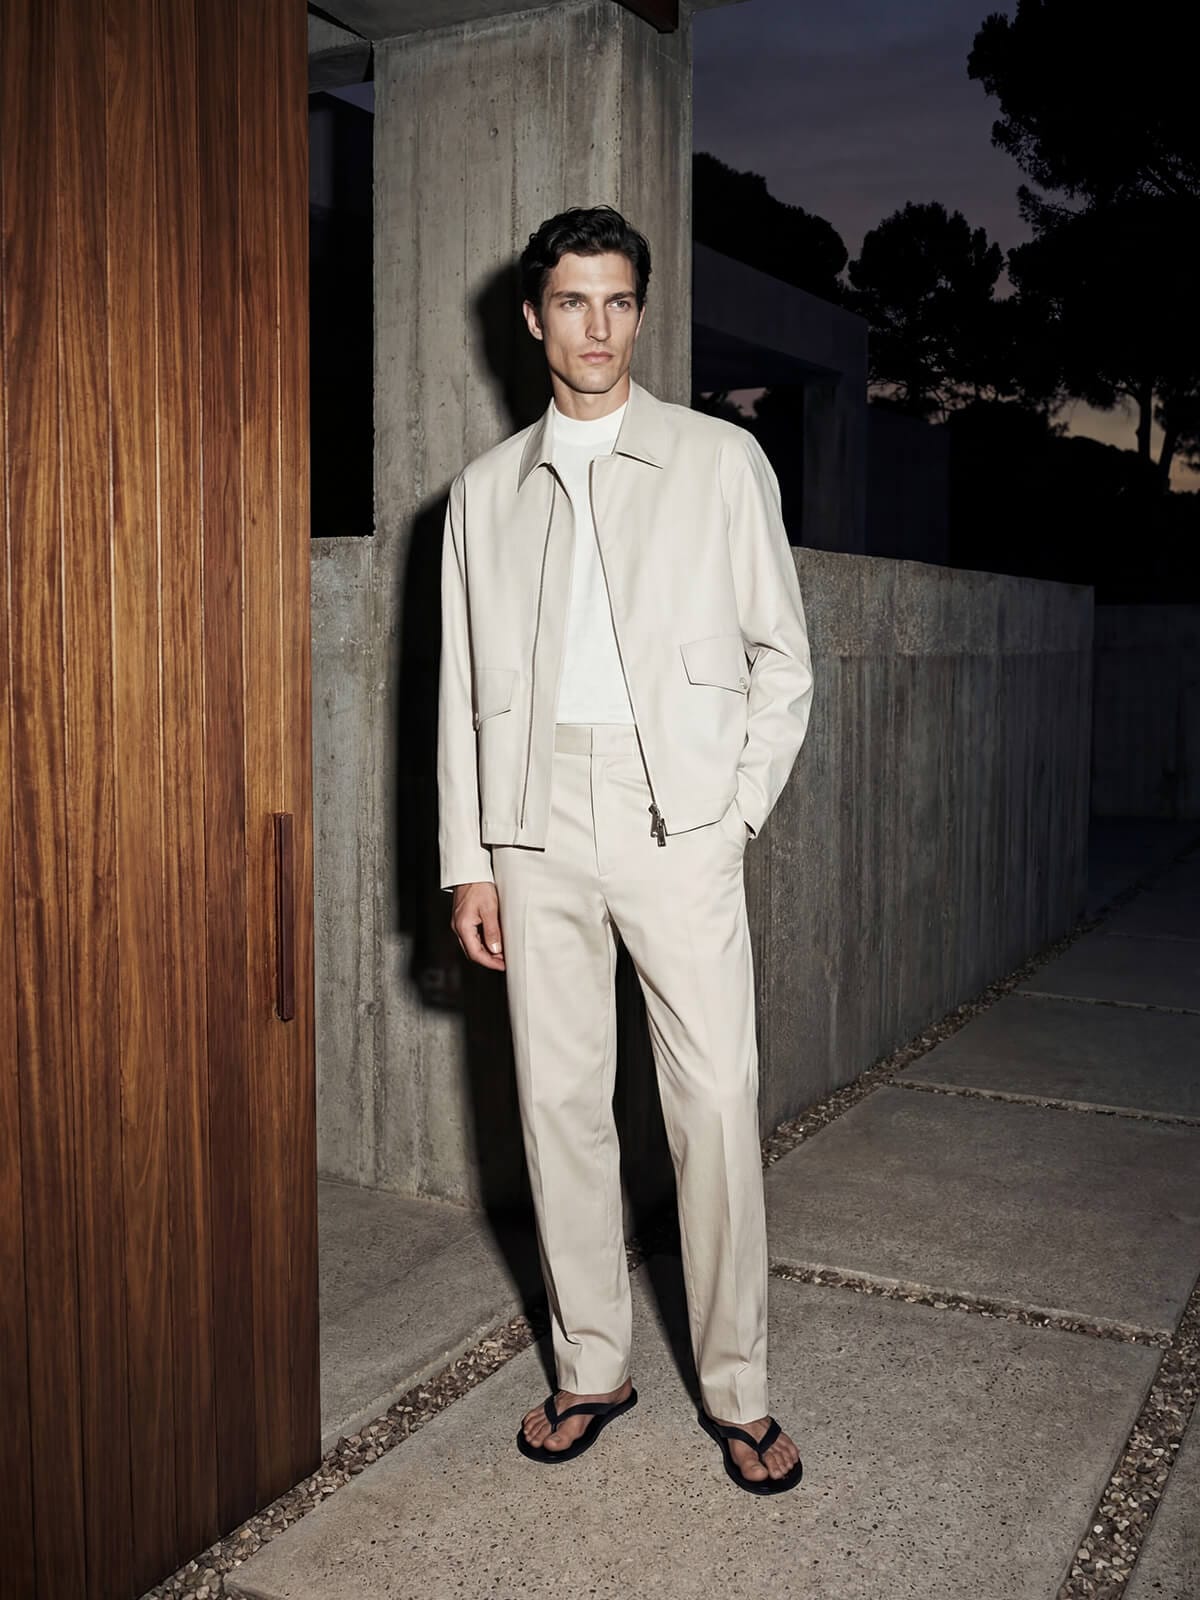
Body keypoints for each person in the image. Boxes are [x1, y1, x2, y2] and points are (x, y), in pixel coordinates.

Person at [437, 204, 814, 1494]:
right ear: (532, 318)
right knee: (557, 1106)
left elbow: (784, 660)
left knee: (713, 1107)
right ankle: (590, 1366)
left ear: (639, 315)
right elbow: (460, 692)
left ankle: (740, 1389)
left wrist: (734, 811)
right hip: (533, 822)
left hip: (678, 819)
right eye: (572, 301)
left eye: (617, 301)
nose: (596, 327)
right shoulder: (482, 494)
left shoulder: (719, 459)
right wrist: (470, 859)